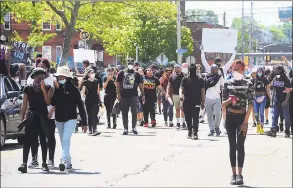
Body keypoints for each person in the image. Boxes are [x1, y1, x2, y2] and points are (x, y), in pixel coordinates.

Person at [222, 60, 254, 185]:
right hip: (230, 117)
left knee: (240, 146)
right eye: (233, 69)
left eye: (238, 69)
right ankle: (233, 174)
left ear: (243, 70)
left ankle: (240, 174)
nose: (235, 71)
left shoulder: (248, 83)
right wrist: (230, 100)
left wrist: (245, 122)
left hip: (242, 118)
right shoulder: (227, 83)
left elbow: (250, 104)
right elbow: (223, 105)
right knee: (232, 146)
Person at [52, 66, 88, 171]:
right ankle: (68, 162)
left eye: (62, 76)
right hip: (59, 118)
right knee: (63, 141)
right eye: (59, 77)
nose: (60, 78)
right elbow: (53, 102)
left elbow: (81, 106)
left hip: (71, 118)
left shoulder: (73, 89)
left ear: (67, 77)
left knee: (66, 139)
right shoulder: (56, 88)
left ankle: (62, 160)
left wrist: (84, 123)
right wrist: (57, 90)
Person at [18, 68, 52, 173]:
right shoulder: (28, 89)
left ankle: (44, 163)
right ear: (34, 77)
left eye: (43, 78)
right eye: (39, 78)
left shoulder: (47, 88)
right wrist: (22, 119)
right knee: (27, 140)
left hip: (42, 117)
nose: (41, 80)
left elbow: (47, 103)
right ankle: (24, 164)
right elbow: (24, 105)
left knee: (43, 140)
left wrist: (43, 90)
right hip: (31, 116)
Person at [27, 58, 57, 166]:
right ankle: (34, 158)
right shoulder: (30, 79)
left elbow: (56, 98)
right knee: (34, 136)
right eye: (38, 67)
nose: (41, 69)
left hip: (49, 113)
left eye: (43, 67)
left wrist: (53, 109)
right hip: (35, 112)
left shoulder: (52, 80)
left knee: (49, 136)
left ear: (47, 68)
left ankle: (50, 159)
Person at [116, 61, 144, 135]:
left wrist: (143, 94)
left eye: (132, 63)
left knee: (134, 112)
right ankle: (125, 128)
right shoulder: (121, 72)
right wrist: (118, 93)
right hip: (124, 96)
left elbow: (141, 84)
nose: (130, 65)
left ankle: (134, 127)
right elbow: (118, 83)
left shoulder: (136, 73)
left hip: (133, 96)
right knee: (124, 113)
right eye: (129, 63)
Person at [180, 64, 205, 139]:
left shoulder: (200, 79)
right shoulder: (185, 78)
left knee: (195, 117)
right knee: (187, 117)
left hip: (196, 101)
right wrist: (181, 95)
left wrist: (203, 102)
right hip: (187, 101)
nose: (192, 70)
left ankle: (195, 132)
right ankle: (189, 131)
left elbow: (202, 91)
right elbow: (181, 88)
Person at [266, 65, 291, 138]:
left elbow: (288, 91)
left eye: (276, 69)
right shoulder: (275, 78)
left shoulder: (286, 79)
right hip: (276, 101)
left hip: (284, 100)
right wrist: (271, 99)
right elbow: (270, 87)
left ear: (280, 70)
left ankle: (287, 131)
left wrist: (286, 100)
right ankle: (273, 130)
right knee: (275, 116)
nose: (274, 70)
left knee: (286, 116)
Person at [205, 64, 224, 136]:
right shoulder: (207, 76)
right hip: (208, 97)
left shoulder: (220, 76)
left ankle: (217, 127)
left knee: (218, 114)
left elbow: (222, 85)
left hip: (217, 98)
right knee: (209, 115)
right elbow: (205, 85)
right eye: (215, 69)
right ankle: (211, 130)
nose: (217, 70)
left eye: (217, 69)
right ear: (212, 69)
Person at [81, 68, 101, 135]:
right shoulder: (85, 82)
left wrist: (100, 100)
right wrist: (82, 99)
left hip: (95, 99)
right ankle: (90, 130)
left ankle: (95, 129)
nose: (92, 73)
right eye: (91, 72)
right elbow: (83, 92)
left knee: (94, 114)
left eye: (93, 72)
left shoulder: (96, 81)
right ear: (88, 74)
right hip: (88, 100)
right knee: (89, 115)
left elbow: (98, 91)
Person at [167, 64, 186, 129]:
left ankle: (183, 123)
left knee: (182, 109)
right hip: (175, 94)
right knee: (177, 109)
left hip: (183, 95)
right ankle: (178, 123)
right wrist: (168, 93)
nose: (176, 68)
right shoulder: (172, 76)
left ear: (180, 68)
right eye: (175, 67)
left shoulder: (184, 75)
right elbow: (169, 85)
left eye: (177, 67)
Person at [253, 67, 270, 135]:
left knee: (261, 113)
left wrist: (269, 97)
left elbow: (268, 89)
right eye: (258, 71)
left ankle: (262, 128)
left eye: (260, 71)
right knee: (256, 113)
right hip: (255, 98)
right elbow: (251, 89)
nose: (259, 73)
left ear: (263, 72)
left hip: (263, 97)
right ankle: (258, 125)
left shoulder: (265, 79)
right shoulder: (254, 79)